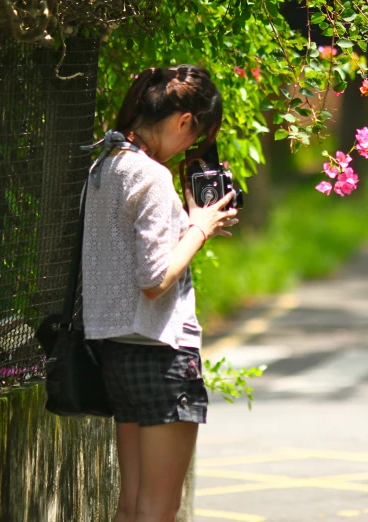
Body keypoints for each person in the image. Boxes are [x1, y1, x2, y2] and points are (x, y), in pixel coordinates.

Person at [82, 65, 239, 522]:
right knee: (158, 510)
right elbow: (154, 280)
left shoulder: (105, 164)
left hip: (117, 352)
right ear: (184, 120)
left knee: (130, 506)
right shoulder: (150, 176)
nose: (191, 148)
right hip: (161, 353)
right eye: (196, 137)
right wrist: (201, 227)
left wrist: (189, 221)